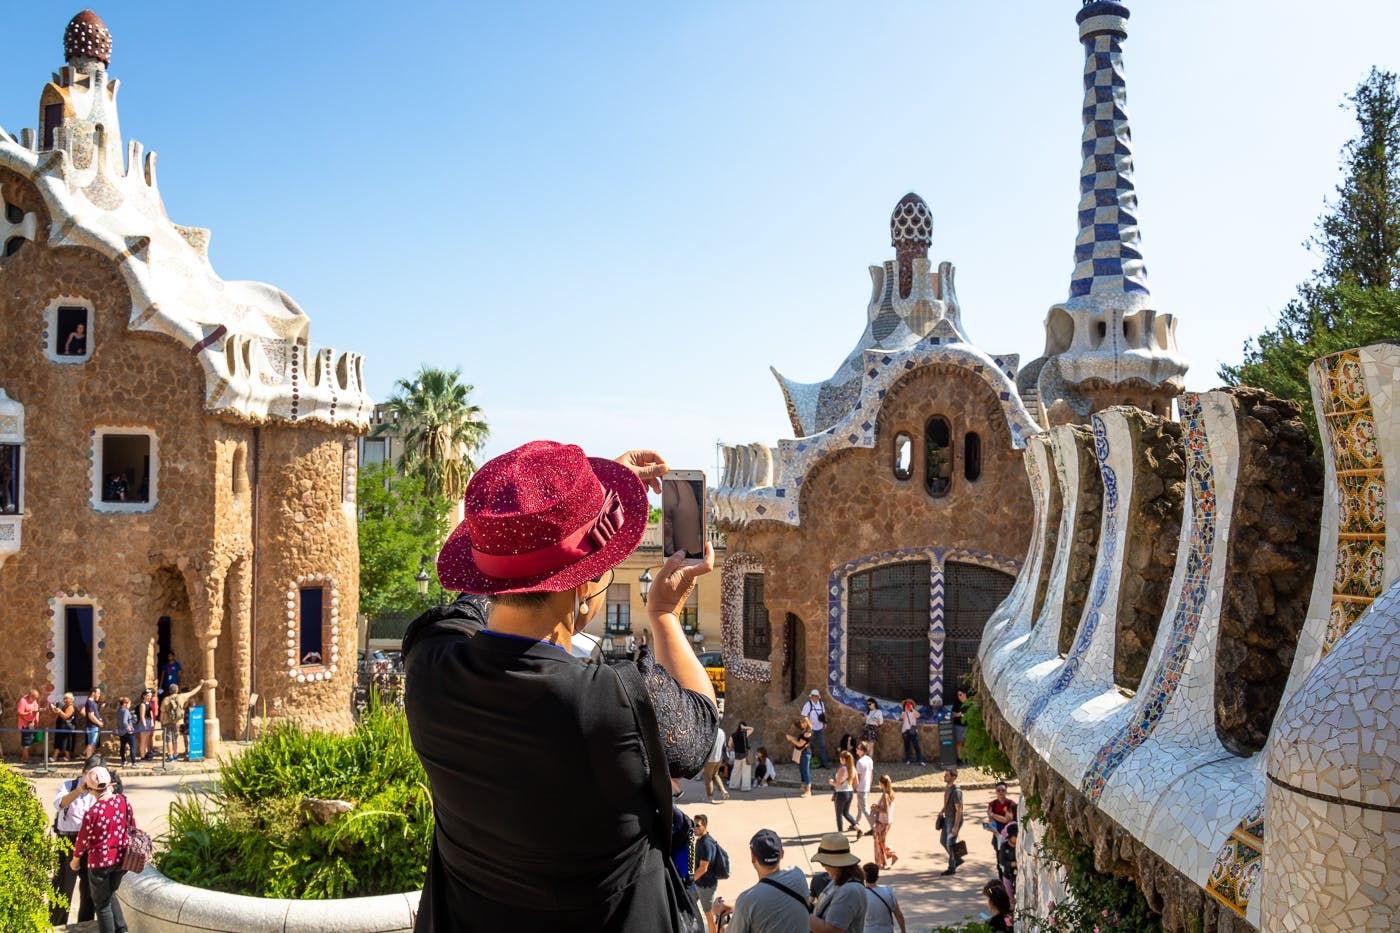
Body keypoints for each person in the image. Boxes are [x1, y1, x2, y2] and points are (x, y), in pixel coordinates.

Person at [402, 443, 718, 931]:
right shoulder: (612, 703)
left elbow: (478, 596)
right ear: (581, 587)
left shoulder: (429, 664)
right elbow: (699, 724)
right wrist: (664, 617)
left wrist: (580, 511)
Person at [70, 766, 132, 933]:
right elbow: (131, 826)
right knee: (110, 894)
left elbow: (82, 840)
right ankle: (122, 930)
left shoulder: (93, 812)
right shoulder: (123, 801)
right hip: (120, 859)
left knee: (102, 905)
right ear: (110, 783)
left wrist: (75, 860)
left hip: (99, 863)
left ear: (90, 789)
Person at [711, 829, 809, 933]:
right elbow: (771, 894)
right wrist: (737, 905)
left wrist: (720, 920)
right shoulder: (798, 875)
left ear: (753, 858)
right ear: (782, 854)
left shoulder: (747, 901)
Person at [50, 757, 106, 926]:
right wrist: (79, 790)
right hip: (68, 839)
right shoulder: (69, 785)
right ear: (84, 772)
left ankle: (85, 924)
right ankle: (56, 924)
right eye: (92, 774)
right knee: (63, 885)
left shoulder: (101, 791)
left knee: (89, 888)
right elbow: (59, 804)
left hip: (90, 842)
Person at [809, 833, 867, 933]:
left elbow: (832, 930)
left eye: (824, 862)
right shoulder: (838, 880)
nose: (823, 866)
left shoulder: (850, 890)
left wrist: (800, 912)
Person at [692, 813, 723, 933]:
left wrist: (690, 880)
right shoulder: (701, 840)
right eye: (693, 825)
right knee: (689, 902)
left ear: (705, 826)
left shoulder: (706, 844)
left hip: (705, 885)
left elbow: (703, 868)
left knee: (709, 915)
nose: (694, 828)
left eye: (697, 826)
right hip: (700, 883)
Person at [160, 682, 205, 760]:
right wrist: (200, 685)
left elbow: (162, 712)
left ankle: (170, 756)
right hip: (177, 721)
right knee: (175, 739)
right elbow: (192, 692)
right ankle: (175, 754)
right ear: (177, 690)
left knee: (169, 739)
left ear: (169, 691)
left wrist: (161, 722)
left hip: (167, 722)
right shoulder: (181, 697)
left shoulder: (165, 699)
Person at [860, 864, 906, 933]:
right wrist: (903, 931)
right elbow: (899, 915)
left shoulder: (861, 894)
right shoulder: (888, 892)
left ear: (864, 877)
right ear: (877, 877)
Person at [939, 768, 964, 876]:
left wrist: (956, 826)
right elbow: (946, 801)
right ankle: (957, 859)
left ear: (953, 777)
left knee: (950, 843)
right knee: (943, 840)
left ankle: (951, 867)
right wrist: (942, 811)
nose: (945, 777)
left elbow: (959, 809)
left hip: (954, 820)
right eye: (945, 775)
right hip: (947, 818)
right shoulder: (947, 787)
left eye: (947, 775)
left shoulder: (956, 791)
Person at [868, 775, 898, 869]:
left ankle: (887, 860)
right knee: (880, 841)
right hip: (887, 821)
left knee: (880, 842)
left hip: (883, 822)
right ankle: (883, 861)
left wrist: (875, 808)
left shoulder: (885, 795)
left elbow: (885, 809)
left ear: (882, 783)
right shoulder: (890, 793)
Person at [829, 751, 857, 834]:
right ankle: (857, 828)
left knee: (839, 814)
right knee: (846, 813)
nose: (839, 760)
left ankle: (840, 833)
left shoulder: (842, 769)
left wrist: (831, 782)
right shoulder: (853, 768)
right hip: (850, 792)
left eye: (840, 758)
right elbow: (856, 782)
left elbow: (837, 784)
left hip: (841, 793)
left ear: (843, 759)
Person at [784, 718, 814, 796]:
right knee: (802, 769)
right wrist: (792, 737)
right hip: (802, 754)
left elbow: (800, 744)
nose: (799, 725)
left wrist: (791, 739)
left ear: (805, 723)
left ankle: (808, 790)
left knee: (805, 771)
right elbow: (798, 740)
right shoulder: (804, 731)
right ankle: (803, 786)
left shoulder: (807, 733)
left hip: (805, 753)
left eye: (801, 723)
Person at [987, 782, 1017, 853]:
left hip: (1009, 832)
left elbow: (1006, 820)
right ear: (995, 792)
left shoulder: (1011, 803)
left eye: (1003, 790)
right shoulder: (992, 804)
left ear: (1006, 791)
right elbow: (991, 820)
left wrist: (993, 814)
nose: (1001, 792)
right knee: (998, 852)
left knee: (1009, 853)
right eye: (998, 790)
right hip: (997, 832)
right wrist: (997, 834)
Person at [801, 689, 828, 768]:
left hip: (820, 728)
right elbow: (803, 716)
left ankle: (825, 763)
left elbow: (824, 714)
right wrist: (808, 725)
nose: (814, 697)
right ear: (811, 696)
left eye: (816, 696)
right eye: (813, 696)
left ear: (818, 697)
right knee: (810, 746)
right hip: (811, 729)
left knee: (822, 746)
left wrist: (825, 723)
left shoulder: (821, 704)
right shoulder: (808, 704)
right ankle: (808, 764)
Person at [852, 742, 875, 839]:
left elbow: (858, 777)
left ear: (862, 750)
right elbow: (871, 774)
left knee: (864, 808)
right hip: (866, 787)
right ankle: (856, 822)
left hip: (861, 788)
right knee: (860, 806)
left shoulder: (860, 762)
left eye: (858, 748)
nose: (856, 750)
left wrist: (854, 787)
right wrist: (869, 784)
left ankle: (874, 827)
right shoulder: (869, 759)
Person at [703, 727, 730, 804]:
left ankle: (710, 797)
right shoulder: (722, 732)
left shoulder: (709, 731)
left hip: (710, 759)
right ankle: (723, 791)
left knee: (708, 778)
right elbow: (724, 746)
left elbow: (706, 746)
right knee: (715, 775)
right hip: (719, 758)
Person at [16, 687, 43, 764]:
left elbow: (35, 709)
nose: (35, 699)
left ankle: (24, 757)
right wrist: (29, 713)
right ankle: (25, 759)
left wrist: (36, 717)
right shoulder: (23, 701)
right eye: (34, 697)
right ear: (30, 695)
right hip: (25, 725)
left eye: (36, 698)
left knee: (29, 741)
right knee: (26, 742)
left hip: (32, 725)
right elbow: (19, 713)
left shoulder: (34, 701)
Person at [728, 721, 755, 791]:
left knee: (735, 771)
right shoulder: (745, 733)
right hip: (745, 756)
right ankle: (745, 787)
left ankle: (733, 785)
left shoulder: (733, 735)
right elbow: (752, 729)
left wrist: (734, 747)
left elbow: (729, 744)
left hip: (737, 755)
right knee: (746, 772)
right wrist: (744, 727)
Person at [898, 700, 924, 766]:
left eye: (909, 705)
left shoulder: (914, 713)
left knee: (916, 745)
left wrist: (912, 709)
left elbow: (918, 715)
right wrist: (906, 710)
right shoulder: (904, 713)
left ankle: (920, 760)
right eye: (907, 705)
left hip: (913, 729)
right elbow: (901, 717)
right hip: (905, 730)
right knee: (907, 746)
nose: (908, 706)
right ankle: (908, 760)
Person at [54, 692, 78, 762]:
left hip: (67, 728)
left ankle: (67, 757)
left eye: (66, 698)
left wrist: (59, 711)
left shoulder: (70, 707)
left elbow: (65, 717)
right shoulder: (64, 706)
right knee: (59, 742)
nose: (65, 700)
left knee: (67, 743)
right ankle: (55, 756)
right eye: (64, 698)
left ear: (71, 699)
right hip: (62, 727)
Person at [80, 687, 104, 758]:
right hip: (92, 726)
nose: (99, 695)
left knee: (92, 744)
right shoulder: (90, 703)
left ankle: (90, 760)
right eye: (98, 693)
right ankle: (88, 761)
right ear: (93, 693)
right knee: (91, 744)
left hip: (94, 726)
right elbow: (91, 716)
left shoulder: (93, 703)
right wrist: (99, 723)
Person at [997, 822, 1019, 898]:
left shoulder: (1019, 846)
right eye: (1015, 836)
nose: (1016, 838)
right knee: (1011, 898)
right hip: (1008, 875)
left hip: (1017, 875)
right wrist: (1012, 864)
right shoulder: (1004, 846)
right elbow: (1002, 861)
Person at [136, 688, 158, 761]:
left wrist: (151, 721)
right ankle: (142, 756)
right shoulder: (142, 704)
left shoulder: (149, 704)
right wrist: (144, 724)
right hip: (144, 723)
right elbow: (142, 716)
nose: (149, 697)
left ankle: (145, 754)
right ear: (144, 696)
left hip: (148, 722)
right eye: (148, 696)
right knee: (143, 740)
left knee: (146, 740)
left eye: (150, 696)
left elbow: (151, 713)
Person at [116, 697, 136, 767]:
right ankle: (134, 762)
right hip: (128, 732)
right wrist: (129, 729)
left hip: (121, 732)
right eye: (129, 704)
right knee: (132, 747)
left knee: (122, 747)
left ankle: (123, 761)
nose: (130, 705)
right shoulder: (125, 711)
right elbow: (125, 722)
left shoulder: (119, 710)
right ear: (125, 704)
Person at [950, 689, 968, 763]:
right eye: (958, 695)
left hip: (968, 726)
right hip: (959, 726)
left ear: (965, 694)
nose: (959, 696)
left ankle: (966, 758)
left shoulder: (969, 703)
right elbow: (952, 714)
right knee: (959, 743)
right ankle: (960, 758)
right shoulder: (956, 703)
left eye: (960, 694)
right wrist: (958, 714)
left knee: (967, 743)